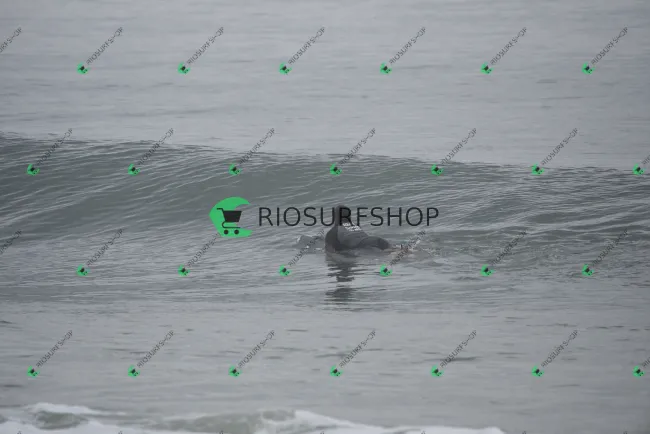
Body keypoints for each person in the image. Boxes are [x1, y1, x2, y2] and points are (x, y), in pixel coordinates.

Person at [325, 205, 395, 253]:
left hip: (366, 246)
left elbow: (330, 253)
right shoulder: (356, 226)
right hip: (378, 240)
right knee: (393, 252)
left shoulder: (333, 231)